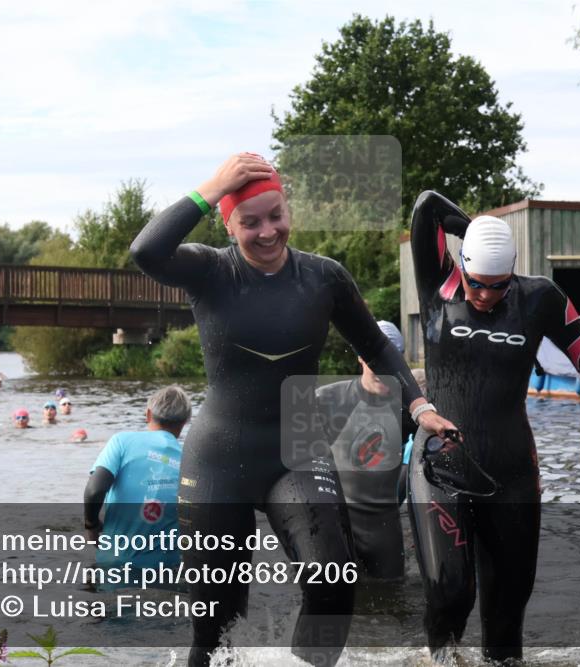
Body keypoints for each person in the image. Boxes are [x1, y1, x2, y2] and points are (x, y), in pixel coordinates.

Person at [130, 153, 457, 667]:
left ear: (289, 210)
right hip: (220, 452)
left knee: (333, 583)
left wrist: (419, 405)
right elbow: (146, 251)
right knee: (213, 618)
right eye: (250, 222)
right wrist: (214, 185)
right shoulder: (211, 270)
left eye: (275, 215)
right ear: (229, 222)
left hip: (297, 442)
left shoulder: (323, 278)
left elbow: (376, 344)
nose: (267, 232)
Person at [407, 190, 580, 663]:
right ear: (461, 266)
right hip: (439, 467)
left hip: (510, 471)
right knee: (450, 593)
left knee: (506, 618)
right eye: (476, 282)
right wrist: (478, 228)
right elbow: (427, 206)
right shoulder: (437, 284)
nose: (484, 296)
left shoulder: (539, 297)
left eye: (497, 286)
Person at [314, 321, 418, 580]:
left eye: (391, 359)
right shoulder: (327, 399)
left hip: (384, 532)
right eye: (376, 359)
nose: (384, 368)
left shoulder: (411, 411)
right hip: (336, 527)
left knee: (393, 600)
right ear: (361, 357)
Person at [83, 386, 191, 587]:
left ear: (148, 414)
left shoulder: (122, 442)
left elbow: (94, 490)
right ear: (185, 421)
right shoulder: (190, 460)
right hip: (166, 573)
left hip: (115, 567)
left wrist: (91, 525)